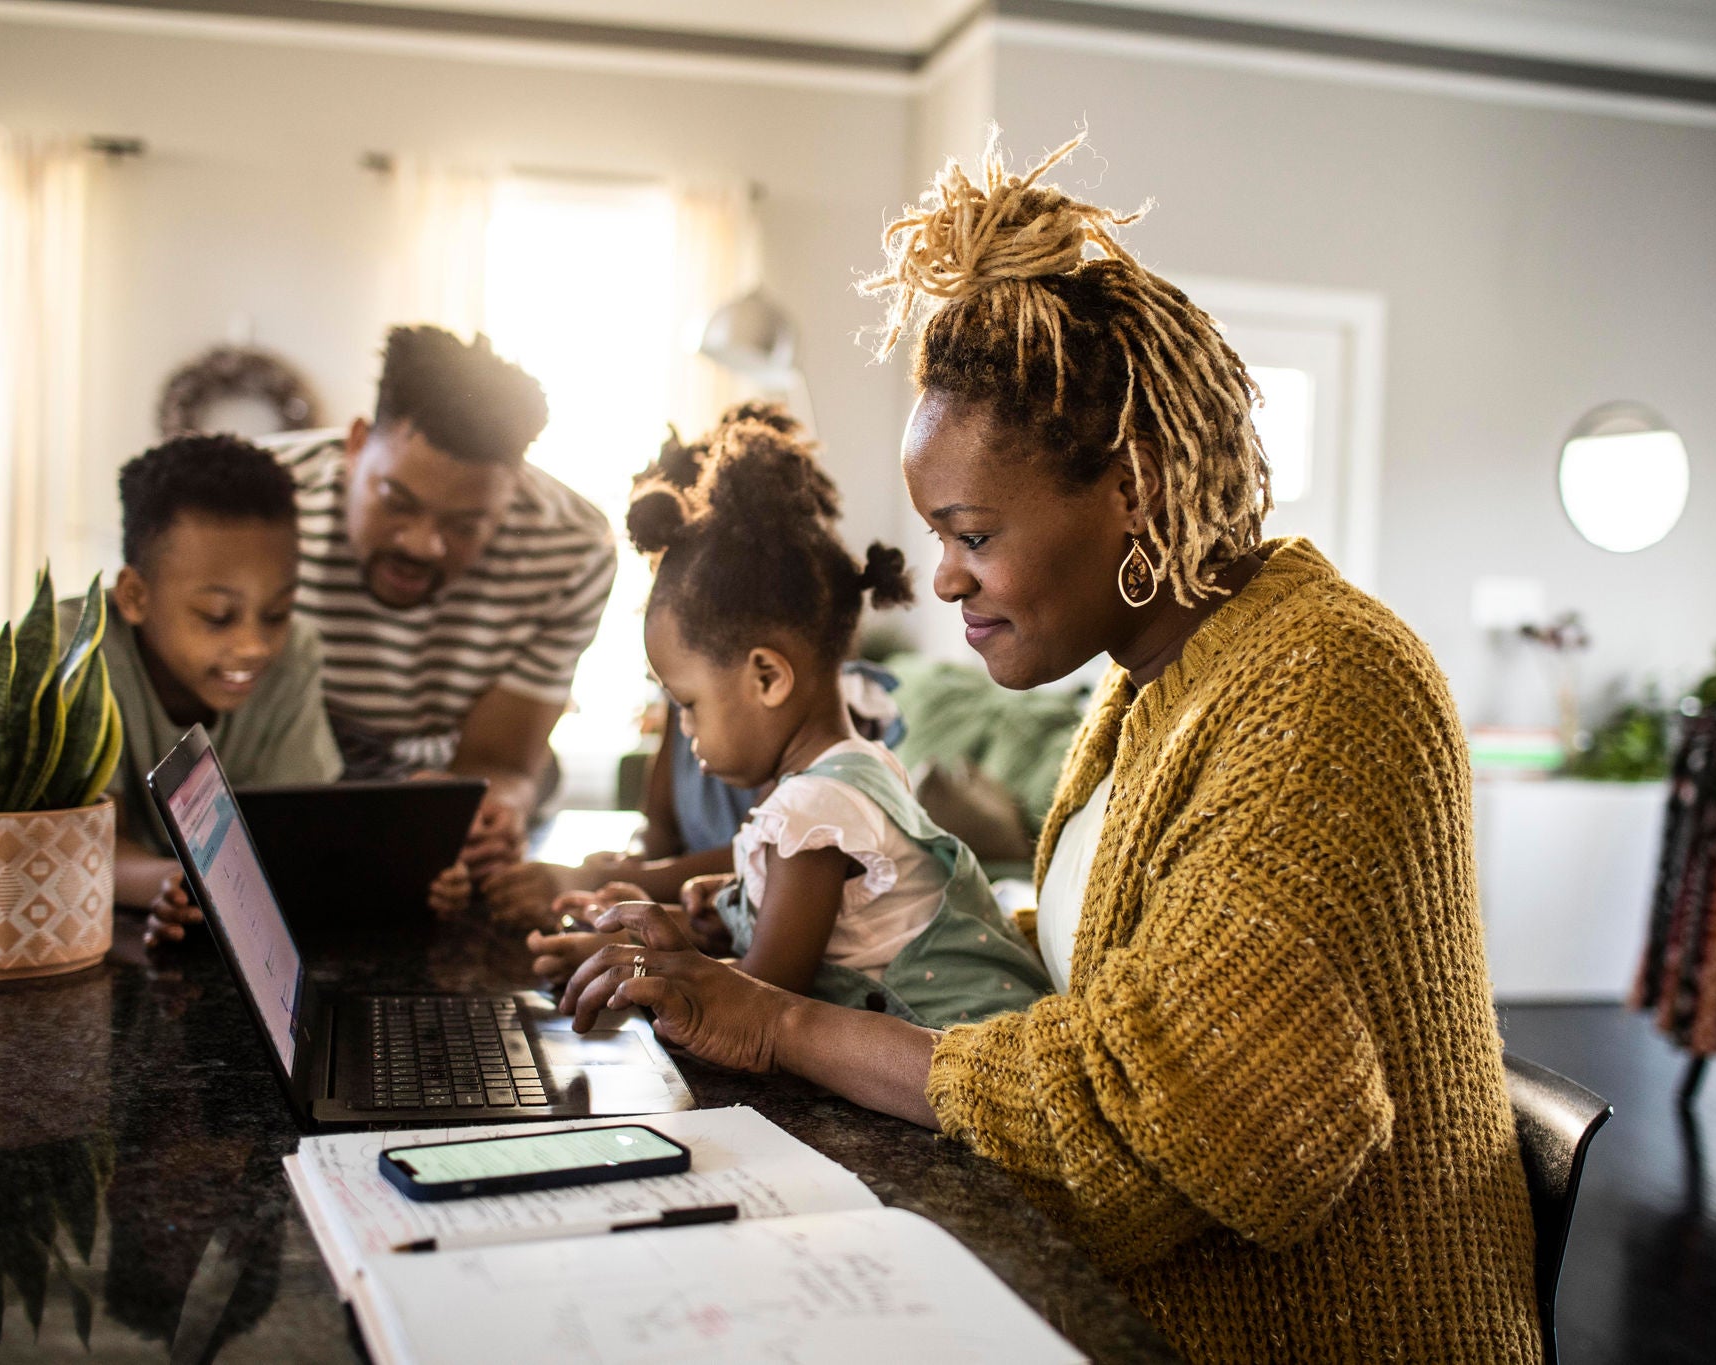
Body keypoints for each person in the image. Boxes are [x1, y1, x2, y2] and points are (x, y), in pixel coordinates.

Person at [554, 134, 1542, 1363]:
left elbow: (1197, 1118)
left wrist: (779, 1023)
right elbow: (1105, 974)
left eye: (968, 530)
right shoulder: (1152, 687)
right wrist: (778, 934)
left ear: (1130, 484)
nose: (943, 575)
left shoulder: (1325, 683)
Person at [528, 411, 1049, 1030]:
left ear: (767, 678)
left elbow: (759, 999)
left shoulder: (814, 809)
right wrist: (718, 904)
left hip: (968, 1063)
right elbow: (837, 930)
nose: (684, 729)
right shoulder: (849, 772)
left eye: (689, 704)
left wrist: (635, 965)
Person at [480, 404, 907, 921]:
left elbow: (775, 861)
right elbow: (660, 831)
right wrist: (627, 875)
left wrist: (609, 881)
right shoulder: (694, 694)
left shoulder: (829, 733)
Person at [266, 325, 615, 891]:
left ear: (513, 489)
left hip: (447, 789)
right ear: (356, 445)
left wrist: (485, 811)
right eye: (396, 502)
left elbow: (502, 759)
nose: (422, 545)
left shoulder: (572, 546)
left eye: (465, 524)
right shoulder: (261, 504)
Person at [71, 434, 342, 946]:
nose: (254, 646)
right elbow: (79, 844)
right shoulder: (77, 651)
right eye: (218, 616)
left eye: (277, 612)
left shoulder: (296, 651)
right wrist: (170, 884)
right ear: (133, 596)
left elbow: (296, 832)